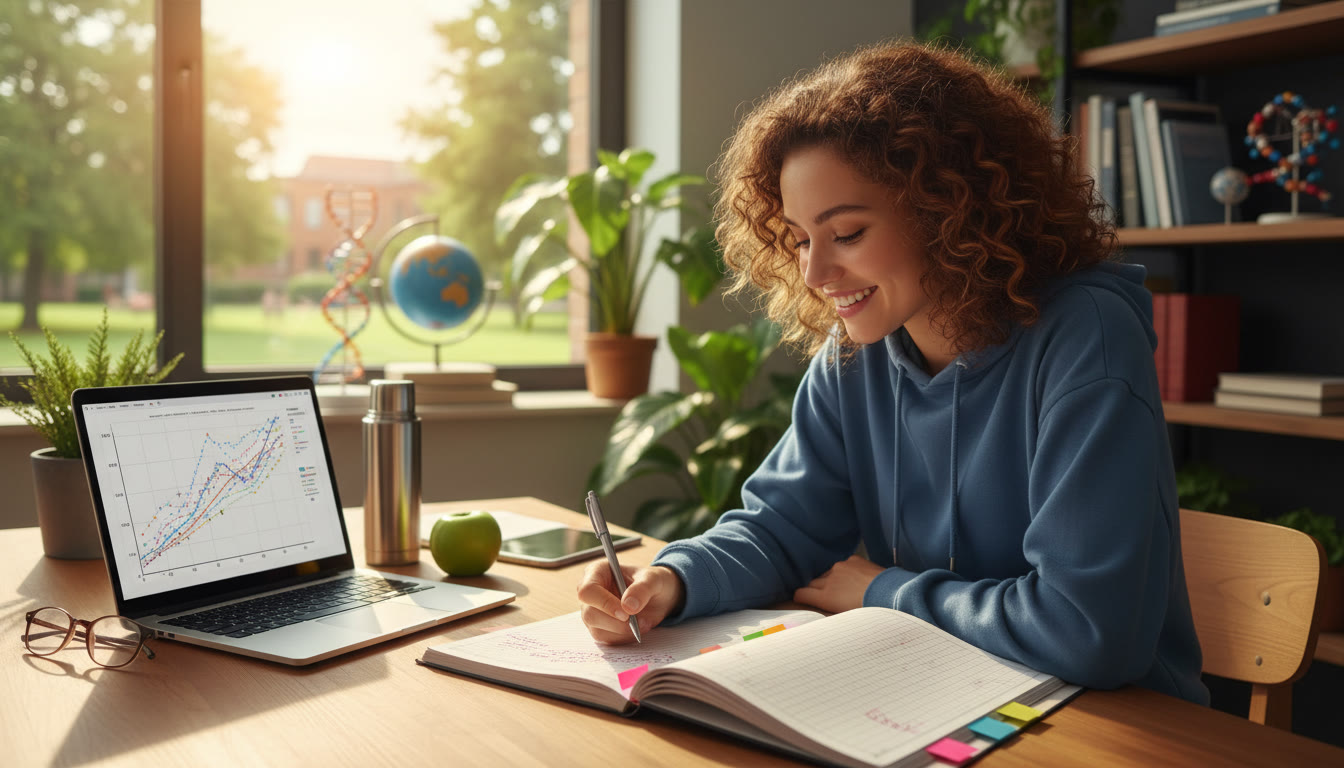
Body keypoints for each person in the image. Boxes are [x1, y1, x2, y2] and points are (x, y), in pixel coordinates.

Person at [576, 40, 1209, 705]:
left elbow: (1089, 632)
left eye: (845, 232)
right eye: (799, 238)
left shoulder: (1087, 338)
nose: (815, 274)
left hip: (1120, 725)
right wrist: (672, 580)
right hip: (940, 693)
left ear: (948, 211)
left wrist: (882, 592)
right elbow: (780, 530)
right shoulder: (855, 356)